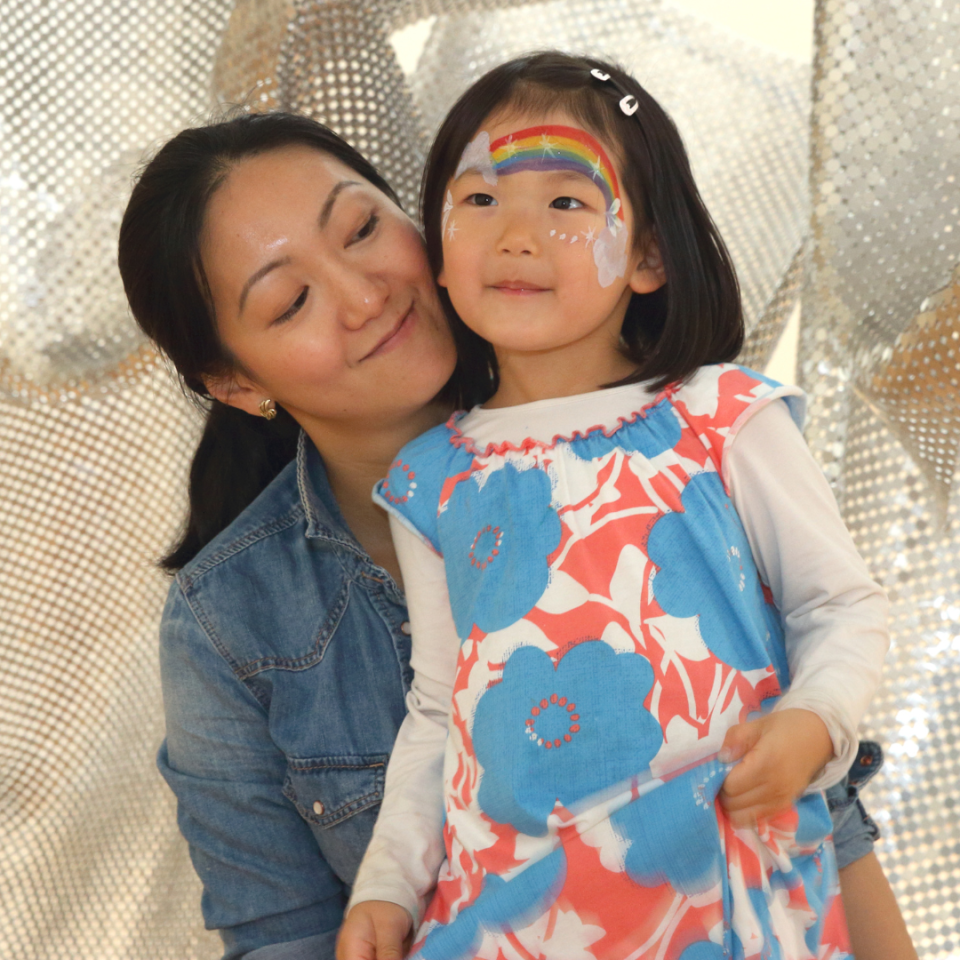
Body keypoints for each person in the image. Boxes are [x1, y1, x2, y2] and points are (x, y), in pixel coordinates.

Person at [117, 111, 913, 960]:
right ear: (237, 384)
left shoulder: (677, 442)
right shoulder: (226, 626)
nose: (364, 296)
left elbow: (814, 816)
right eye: (291, 301)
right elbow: (285, 937)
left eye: (361, 229)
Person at [338, 53, 908, 960]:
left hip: (728, 897)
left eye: (566, 202)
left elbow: (840, 605)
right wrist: (386, 885)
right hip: (514, 921)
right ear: (438, 249)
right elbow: (441, 710)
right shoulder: (431, 477)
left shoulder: (721, 415)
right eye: (479, 200)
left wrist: (815, 723)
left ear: (647, 255)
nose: (515, 233)